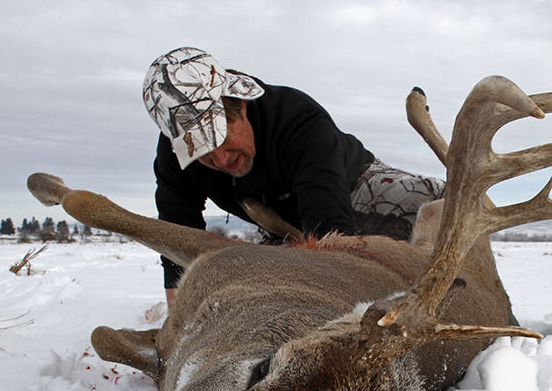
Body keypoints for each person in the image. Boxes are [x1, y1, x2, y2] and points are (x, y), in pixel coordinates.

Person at [143, 47, 444, 305]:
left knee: (444, 205)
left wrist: (345, 310)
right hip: (283, 225)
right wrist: (177, 324)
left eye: (222, 138)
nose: (220, 159)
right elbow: (176, 239)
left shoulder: (296, 118)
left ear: (241, 104)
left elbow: (330, 227)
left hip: (352, 187)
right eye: (202, 152)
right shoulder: (174, 157)